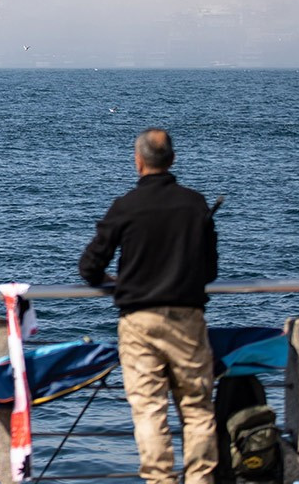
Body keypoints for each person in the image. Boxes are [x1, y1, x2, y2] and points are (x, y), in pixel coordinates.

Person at [78, 128, 219, 484]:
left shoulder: (126, 206)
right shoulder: (195, 204)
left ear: (138, 160)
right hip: (187, 318)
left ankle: (160, 480)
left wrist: (116, 283)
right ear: (172, 159)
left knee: (149, 410)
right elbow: (211, 269)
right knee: (198, 408)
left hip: (139, 319)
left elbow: (89, 267)